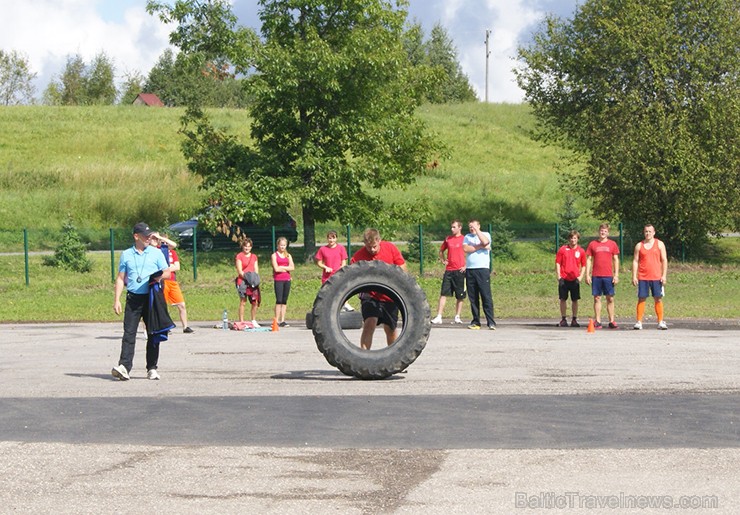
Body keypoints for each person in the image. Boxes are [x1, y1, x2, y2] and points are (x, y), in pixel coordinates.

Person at [112, 222, 171, 381]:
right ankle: (124, 366)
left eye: (149, 235)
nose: (148, 238)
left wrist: (158, 276)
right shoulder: (126, 254)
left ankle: (152, 368)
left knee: (153, 333)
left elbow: (167, 273)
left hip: (151, 297)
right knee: (129, 333)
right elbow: (120, 278)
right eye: (145, 236)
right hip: (133, 298)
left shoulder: (156, 253)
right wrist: (116, 299)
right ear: (136, 236)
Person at [350, 228, 407, 349]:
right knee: (370, 323)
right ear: (364, 243)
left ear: (379, 240)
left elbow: (402, 266)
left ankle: (393, 358)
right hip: (370, 295)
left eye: (374, 246)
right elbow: (350, 278)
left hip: (389, 295)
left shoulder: (390, 248)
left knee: (390, 328)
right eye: (368, 247)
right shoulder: (358, 257)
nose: (372, 250)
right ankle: (364, 357)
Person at [151, 232, 193, 333]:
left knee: (181, 304)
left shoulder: (172, 253)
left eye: (165, 241)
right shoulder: (156, 251)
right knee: (162, 305)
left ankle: (185, 327)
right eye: (161, 241)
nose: (164, 243)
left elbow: (177, 266)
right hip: (162, 281)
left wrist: (167, 269)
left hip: (172, 281)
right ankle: (164, 326)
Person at [631, 224, 668, 330]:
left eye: (650, 231)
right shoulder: (639, 245)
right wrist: (634, 276)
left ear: (654, 232)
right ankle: (639, 322)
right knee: (641, 298)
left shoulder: (660, 244)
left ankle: (660, 321)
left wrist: (664, 275)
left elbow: (664, 260)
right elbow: (635, 261)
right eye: (646, 231)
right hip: (643, 277)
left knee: (658, 299)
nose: (648, 233)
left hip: (656, 277)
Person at [585, 223, 620, 329]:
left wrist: (616, 275)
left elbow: (615, 259)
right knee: (597, 298)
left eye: (605, 231)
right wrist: (587, 274)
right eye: (601, 230)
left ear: (608, 233)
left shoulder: (612, 244)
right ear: (599, 231)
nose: (603, 232)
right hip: (596, 275)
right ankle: (598, 321)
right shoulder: (593, 244)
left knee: (610, 298)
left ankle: (612, 320)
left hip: (608, 275)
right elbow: (589, 260)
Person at [431, 219, 466, 324]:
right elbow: (441, 250)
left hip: (460, 270)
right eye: (451, 227)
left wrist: (466, 265)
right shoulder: (448, 239)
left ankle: (457, 316)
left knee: (460, 295)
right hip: (449, 270)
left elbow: (470, 253)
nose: (452, 229)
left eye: (454, 227)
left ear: (460, 228)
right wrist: (443, 260)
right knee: (443, 293)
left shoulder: (465, 239)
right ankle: (439, 316)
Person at [463, 219, 496, 330]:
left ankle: (491, 321)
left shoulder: (485, 234)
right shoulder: (467, 237)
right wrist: (480, 246)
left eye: (473, 226)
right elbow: (466, 248)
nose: (471, 228)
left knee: (485, 295)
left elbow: (486, 242)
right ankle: (476, 321)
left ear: (478, 226)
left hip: (482, 269)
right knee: (473, 297)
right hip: (470, 269)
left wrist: (478, 231)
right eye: (470, 227)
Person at [315, 230, 353, 311]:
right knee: (327, 292)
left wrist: (340, 268)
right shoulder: (323, 249)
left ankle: (345, 304)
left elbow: (344, 262)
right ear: (327, 239)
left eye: (333, 238)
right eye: (329, 238)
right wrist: (325, 267)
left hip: (339, 274)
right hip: (327, 275)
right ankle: (328, 307)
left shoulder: (341, 248)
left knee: (342, 288)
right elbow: (319, 262)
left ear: (336, 239)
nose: (331, 240)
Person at [555, 230, 587, 327]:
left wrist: (581, 276)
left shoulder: (581, 251)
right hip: (564, 278)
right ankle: (563, 319)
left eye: (575, 238)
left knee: (575, 300)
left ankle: (574, 319)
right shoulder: (563, 249)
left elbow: (584, 265)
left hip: (574, 279)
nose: (573, 240)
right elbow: (558, 262)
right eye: (571, 238)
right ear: (569, 239)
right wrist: (559, 276)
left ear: (577, 239)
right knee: (563, 299)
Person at [235, 238, 261, 327]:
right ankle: (241, 321)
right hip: (243, 280)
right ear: (243, 246)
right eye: (245, 246)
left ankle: (253, 320)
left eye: (249, 246)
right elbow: (240, 270)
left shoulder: (254, 257)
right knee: (243, 301)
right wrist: (247, 278)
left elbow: (256, 269)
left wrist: (255, 279)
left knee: (255, 301)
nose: (247, 248)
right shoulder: (239, 256)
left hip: (252, 281)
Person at [271, 236, 295, 327]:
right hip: (278, 279)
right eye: (281, 245)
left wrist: (283, 268)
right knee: (279, 300)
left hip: (287, 279)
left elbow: (292, 267)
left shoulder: (288, 255)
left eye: (284, 245)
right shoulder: (274, 255)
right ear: (278, 245)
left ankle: (283, 320)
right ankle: (276, 319)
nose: (282, 247)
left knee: (284, 300)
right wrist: (286, 268)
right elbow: (276, 269)